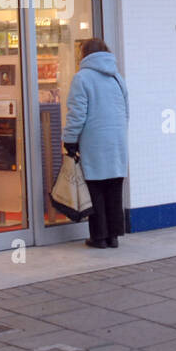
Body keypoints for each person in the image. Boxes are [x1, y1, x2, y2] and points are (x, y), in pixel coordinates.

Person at [62, 38, 129, 249]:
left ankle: (99, 237)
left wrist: (70, 140)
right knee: (114, 187)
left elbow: (77, 114)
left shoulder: (82, 78)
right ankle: (114, 236)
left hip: (94, 142)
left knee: (95, 189)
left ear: (85, 55)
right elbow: (126, 111)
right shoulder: (117, 78)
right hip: (117, 141)